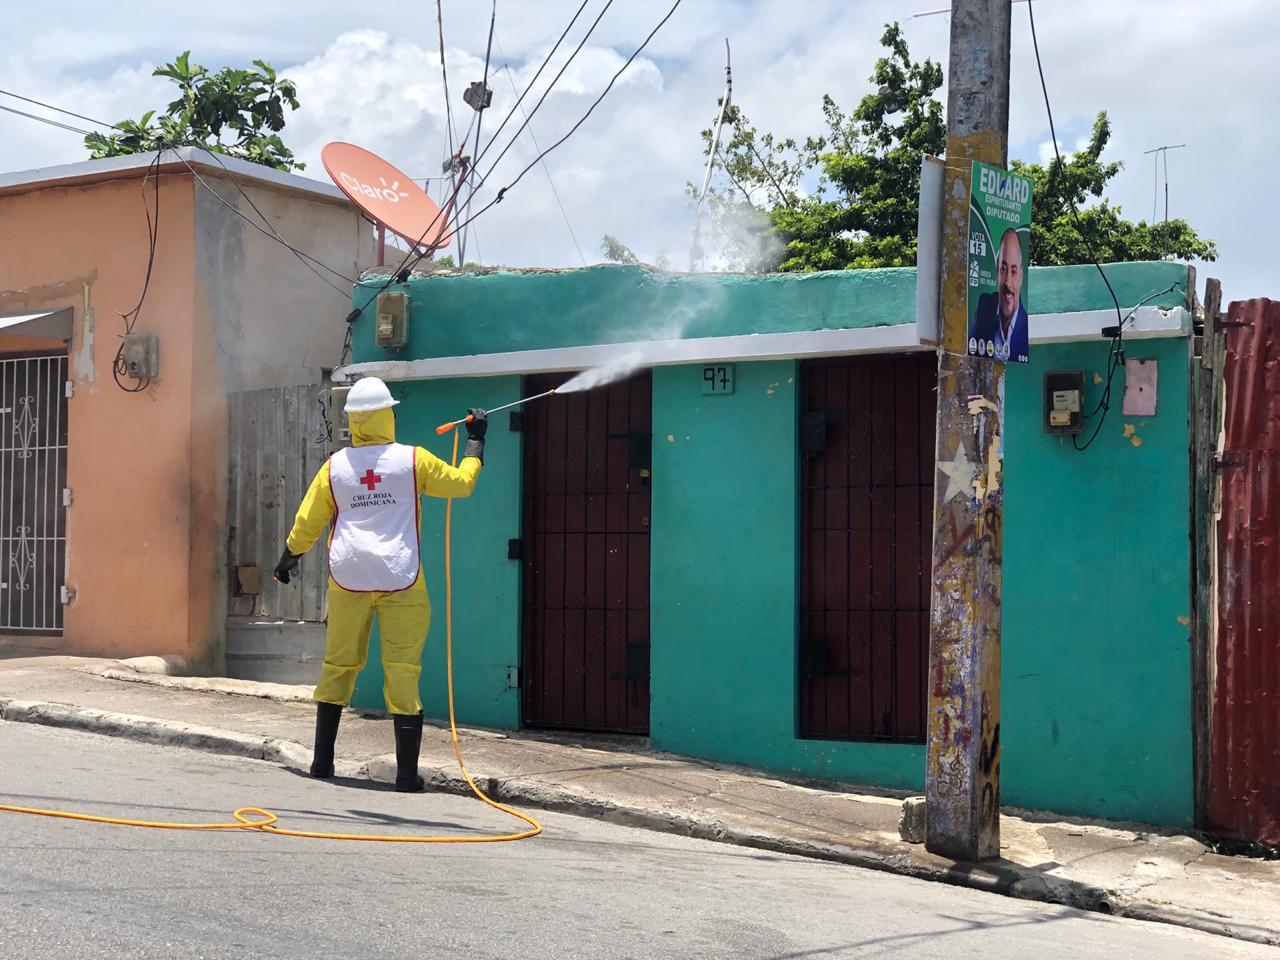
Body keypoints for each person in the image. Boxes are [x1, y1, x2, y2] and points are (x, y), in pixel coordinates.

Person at [273, 377, 487, 792]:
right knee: (402, 670)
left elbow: (308, 521)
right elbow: (461, 486)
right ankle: (406, 776)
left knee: (338, 665)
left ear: (353, 420)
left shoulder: (335, 467)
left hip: (348, 575)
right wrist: (476, 443)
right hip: (400, 576)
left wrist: (288, 558)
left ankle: (321, 763)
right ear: (388, 414)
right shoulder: (412, 459)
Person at [969, 227, 1029, 363]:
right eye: (1003, 270)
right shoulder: (984, 307)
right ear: (996, 271)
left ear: (1021, 276)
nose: (1007, 282)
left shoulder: (1025, 327)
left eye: (1013, 272)